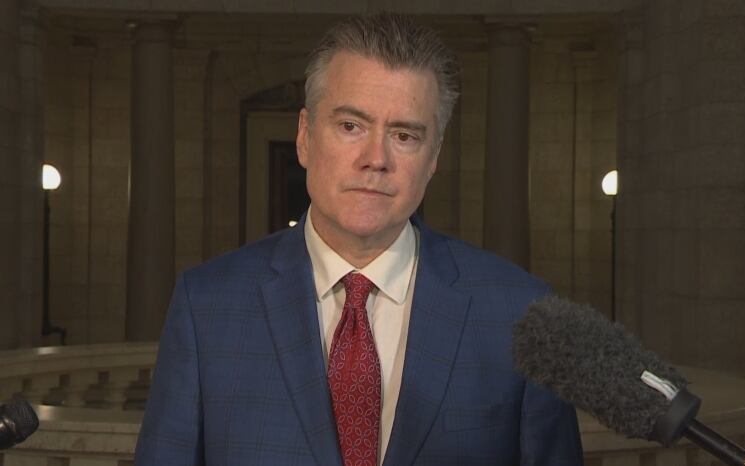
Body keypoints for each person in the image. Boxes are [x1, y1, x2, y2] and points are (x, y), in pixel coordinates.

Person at [135, 13, 583, 466]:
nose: (376, 159)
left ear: (433, 158)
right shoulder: (207, 306)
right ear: (305, 137)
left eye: (404, 135)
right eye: (351, 126)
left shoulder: (520, 313)